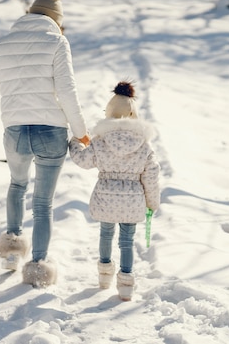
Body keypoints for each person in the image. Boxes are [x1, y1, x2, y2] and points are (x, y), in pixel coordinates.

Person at [0, 0, 90, 288]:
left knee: (17, 184)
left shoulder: (3, 44)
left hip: (14, 132)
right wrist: (81, 133)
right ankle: (38, 266)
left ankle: (12, 252)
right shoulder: (57, 42)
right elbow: (67, 92)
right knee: (43, 203)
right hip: (50, 131)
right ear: (56, 18)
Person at [68, 81, 160, 300]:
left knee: (106, 234)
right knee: (127, 241)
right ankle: (126, 284)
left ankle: (104, 276)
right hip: (133, 198)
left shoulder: (100, 141)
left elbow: (83, 160)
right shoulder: (144, 145)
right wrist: (152, 203)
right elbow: (152, 175)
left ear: (109, 112)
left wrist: (74, 141)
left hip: (105, 197)